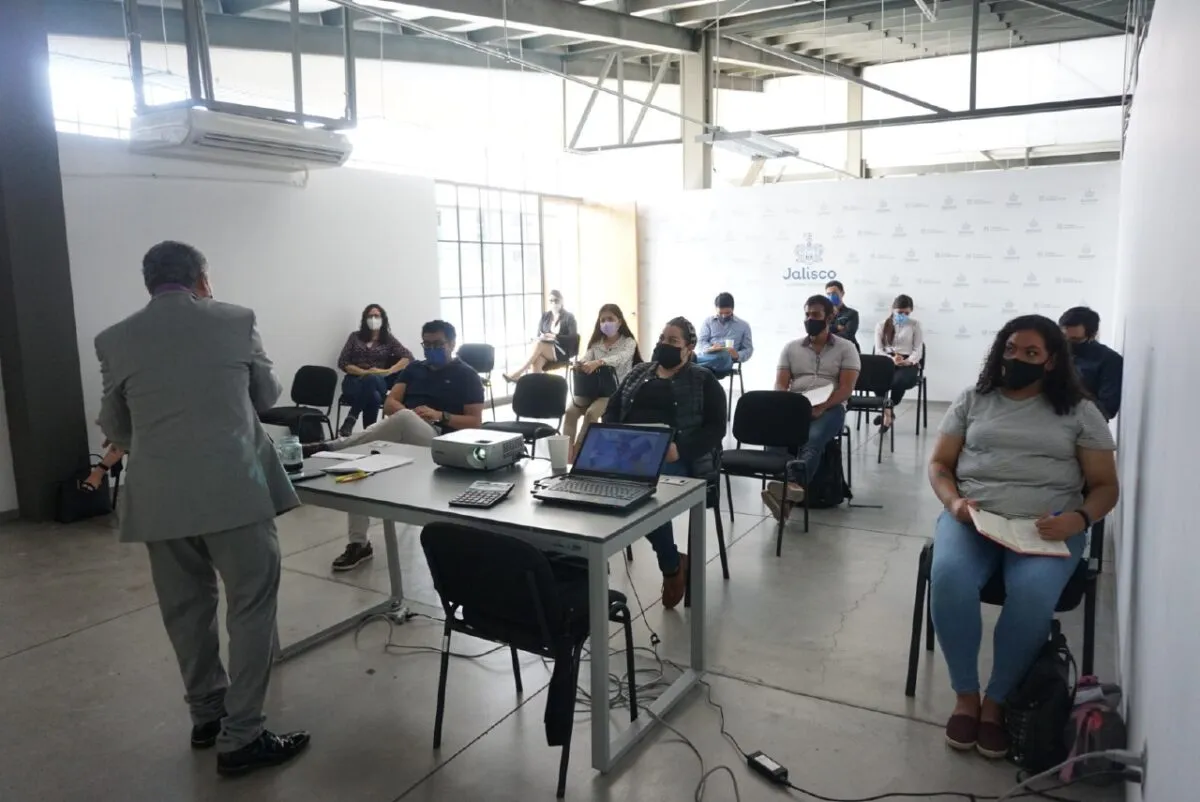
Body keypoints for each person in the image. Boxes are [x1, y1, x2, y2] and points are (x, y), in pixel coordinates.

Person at [95, 241, 308, 777]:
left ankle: (207, 716)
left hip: (157, 498)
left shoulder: (114, 339)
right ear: (203, 279)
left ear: (149, 283)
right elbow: (265, 394)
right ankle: (243, 736)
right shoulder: (236, 320)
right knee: (250, 607)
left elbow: (116, 426)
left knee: (185, 610)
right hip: (234, 490)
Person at [927, 314, 1118, 759]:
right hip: (974, 521)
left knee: (1032, 595)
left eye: (1031, 352)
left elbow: (1106, 486)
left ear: (1051, 361)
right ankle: (966, 696)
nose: (1017, 359)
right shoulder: (973, 399)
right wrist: (953, 503)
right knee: (950, 579)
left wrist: (1079, 519)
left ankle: (996, 702)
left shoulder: (1080, 411)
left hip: (1047, 527)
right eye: (1011, 349)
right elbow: (940, 465)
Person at [308, 320, 485, 571]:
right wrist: (411, 415)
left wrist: (439, 415)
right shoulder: (414, 369)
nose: (431, 349)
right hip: (403, 431)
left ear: (452, 344)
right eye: (427, 344)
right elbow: (391, 403)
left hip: (439, 440)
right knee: (360, 467)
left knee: (402, 419)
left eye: (438, 344)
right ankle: (359, 543)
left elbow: (474, 422)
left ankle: (332, 447)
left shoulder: (467, 375)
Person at [602, 317, 725, 609]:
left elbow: (716, 428)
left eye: (673, 341)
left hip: (680, 460)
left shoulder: (703, 379)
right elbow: (612, 410)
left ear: (689, 348)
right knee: (601, 483)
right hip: (630, 454)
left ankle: (670, 566)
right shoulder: (639, 372)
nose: (664, 345)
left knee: (643, 491)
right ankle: (673, 560)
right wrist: (614, 436)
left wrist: (680, 449)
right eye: (662, 338)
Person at [766, 295, 861, 519]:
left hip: (831, 406)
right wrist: (787, 404)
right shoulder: (791, 348)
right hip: (797, 404)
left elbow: (846, 389)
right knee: (773, 437)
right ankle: (787, 493)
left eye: (816, 315)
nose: (810, 319)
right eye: (807, 315)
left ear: (829, 318)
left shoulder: (846, 348)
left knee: (813, 438)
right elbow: (780, 384)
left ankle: (791, 488)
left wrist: (822, 406)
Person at [564, 304, 641, 458]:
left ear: (619, 321)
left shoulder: (629, 342)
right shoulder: (596, 343)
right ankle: (566, 454)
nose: (606, 323)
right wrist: (580, 364)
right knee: (570, 412)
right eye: (603, 320)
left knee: (591, 414)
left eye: (610, 319)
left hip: (613, 391)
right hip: (591, 389)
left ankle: (579, 451)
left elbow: (620, 358)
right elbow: (586, 357)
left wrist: (600, 362)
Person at [336, 304, 413, 436]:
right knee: (374, 396)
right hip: (354, 382)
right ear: (364, 319)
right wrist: (364, 372)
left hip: (379, 381)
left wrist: (389, 371)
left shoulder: (388, 339)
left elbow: (408, 357)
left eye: (376, 316)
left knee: (372, 379)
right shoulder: (355, 337)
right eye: (370, 316)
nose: (373, 319)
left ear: (383, 319)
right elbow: (342, 362)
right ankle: (369, 435)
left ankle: (351, 419)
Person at [1059, 306, 1123, 420]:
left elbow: (1107, 409)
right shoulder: (1053, 354)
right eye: (1064, 338)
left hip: (1084, 424)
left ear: (1092, 335)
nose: (1068, 344)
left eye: (1075, 340)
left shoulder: (1109, 360)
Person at [873, 294, 925, 431]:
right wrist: (892, 359)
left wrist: (908, 361)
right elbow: (879, 350)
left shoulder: (915, 325)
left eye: (906, 313)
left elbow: (918, 349)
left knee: (899, 381)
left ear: (911, 311)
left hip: (907, 362)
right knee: (875, 379)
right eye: (900, 312)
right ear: (893, 309)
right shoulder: (881, 325)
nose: (903, 315)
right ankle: (888, 415)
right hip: (886, 360)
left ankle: (887, 411)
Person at [504, 290, 578, 381]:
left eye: (556, 300)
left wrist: (555, 337)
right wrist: (541, 338)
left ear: (562, 301)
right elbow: (539, 335)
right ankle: (536, 388)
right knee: (537, 360)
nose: (553, 303)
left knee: (539, 344)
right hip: (545, 349)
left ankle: (518, 373)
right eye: (551, 301)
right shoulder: (545, 316)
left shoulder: (569, 317)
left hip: (562, 351)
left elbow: (573, 338)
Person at [696, 292, 754, 375]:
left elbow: (748, 349)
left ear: (733, 309)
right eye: (720, 313)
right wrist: (710, 348)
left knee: (724, 355)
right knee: (707, 361)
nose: (724, 316)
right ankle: (698, 364)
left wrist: (737, 355)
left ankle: (694, 363)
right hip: (709, 355)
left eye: (727, 313)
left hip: (726, 360)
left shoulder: (744, 326)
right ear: (716, 309)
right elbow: (701, 342)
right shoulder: (708, 322)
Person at [826, 280, 860, 350]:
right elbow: (820, 332)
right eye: (828, 294)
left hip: (848, 350)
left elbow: (847, 335)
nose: (831, 296)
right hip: (828, 350)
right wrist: (836, 328)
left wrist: (827, 334)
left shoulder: (852, 313)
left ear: (842, 293)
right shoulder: (824, 314)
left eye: (834, 293)